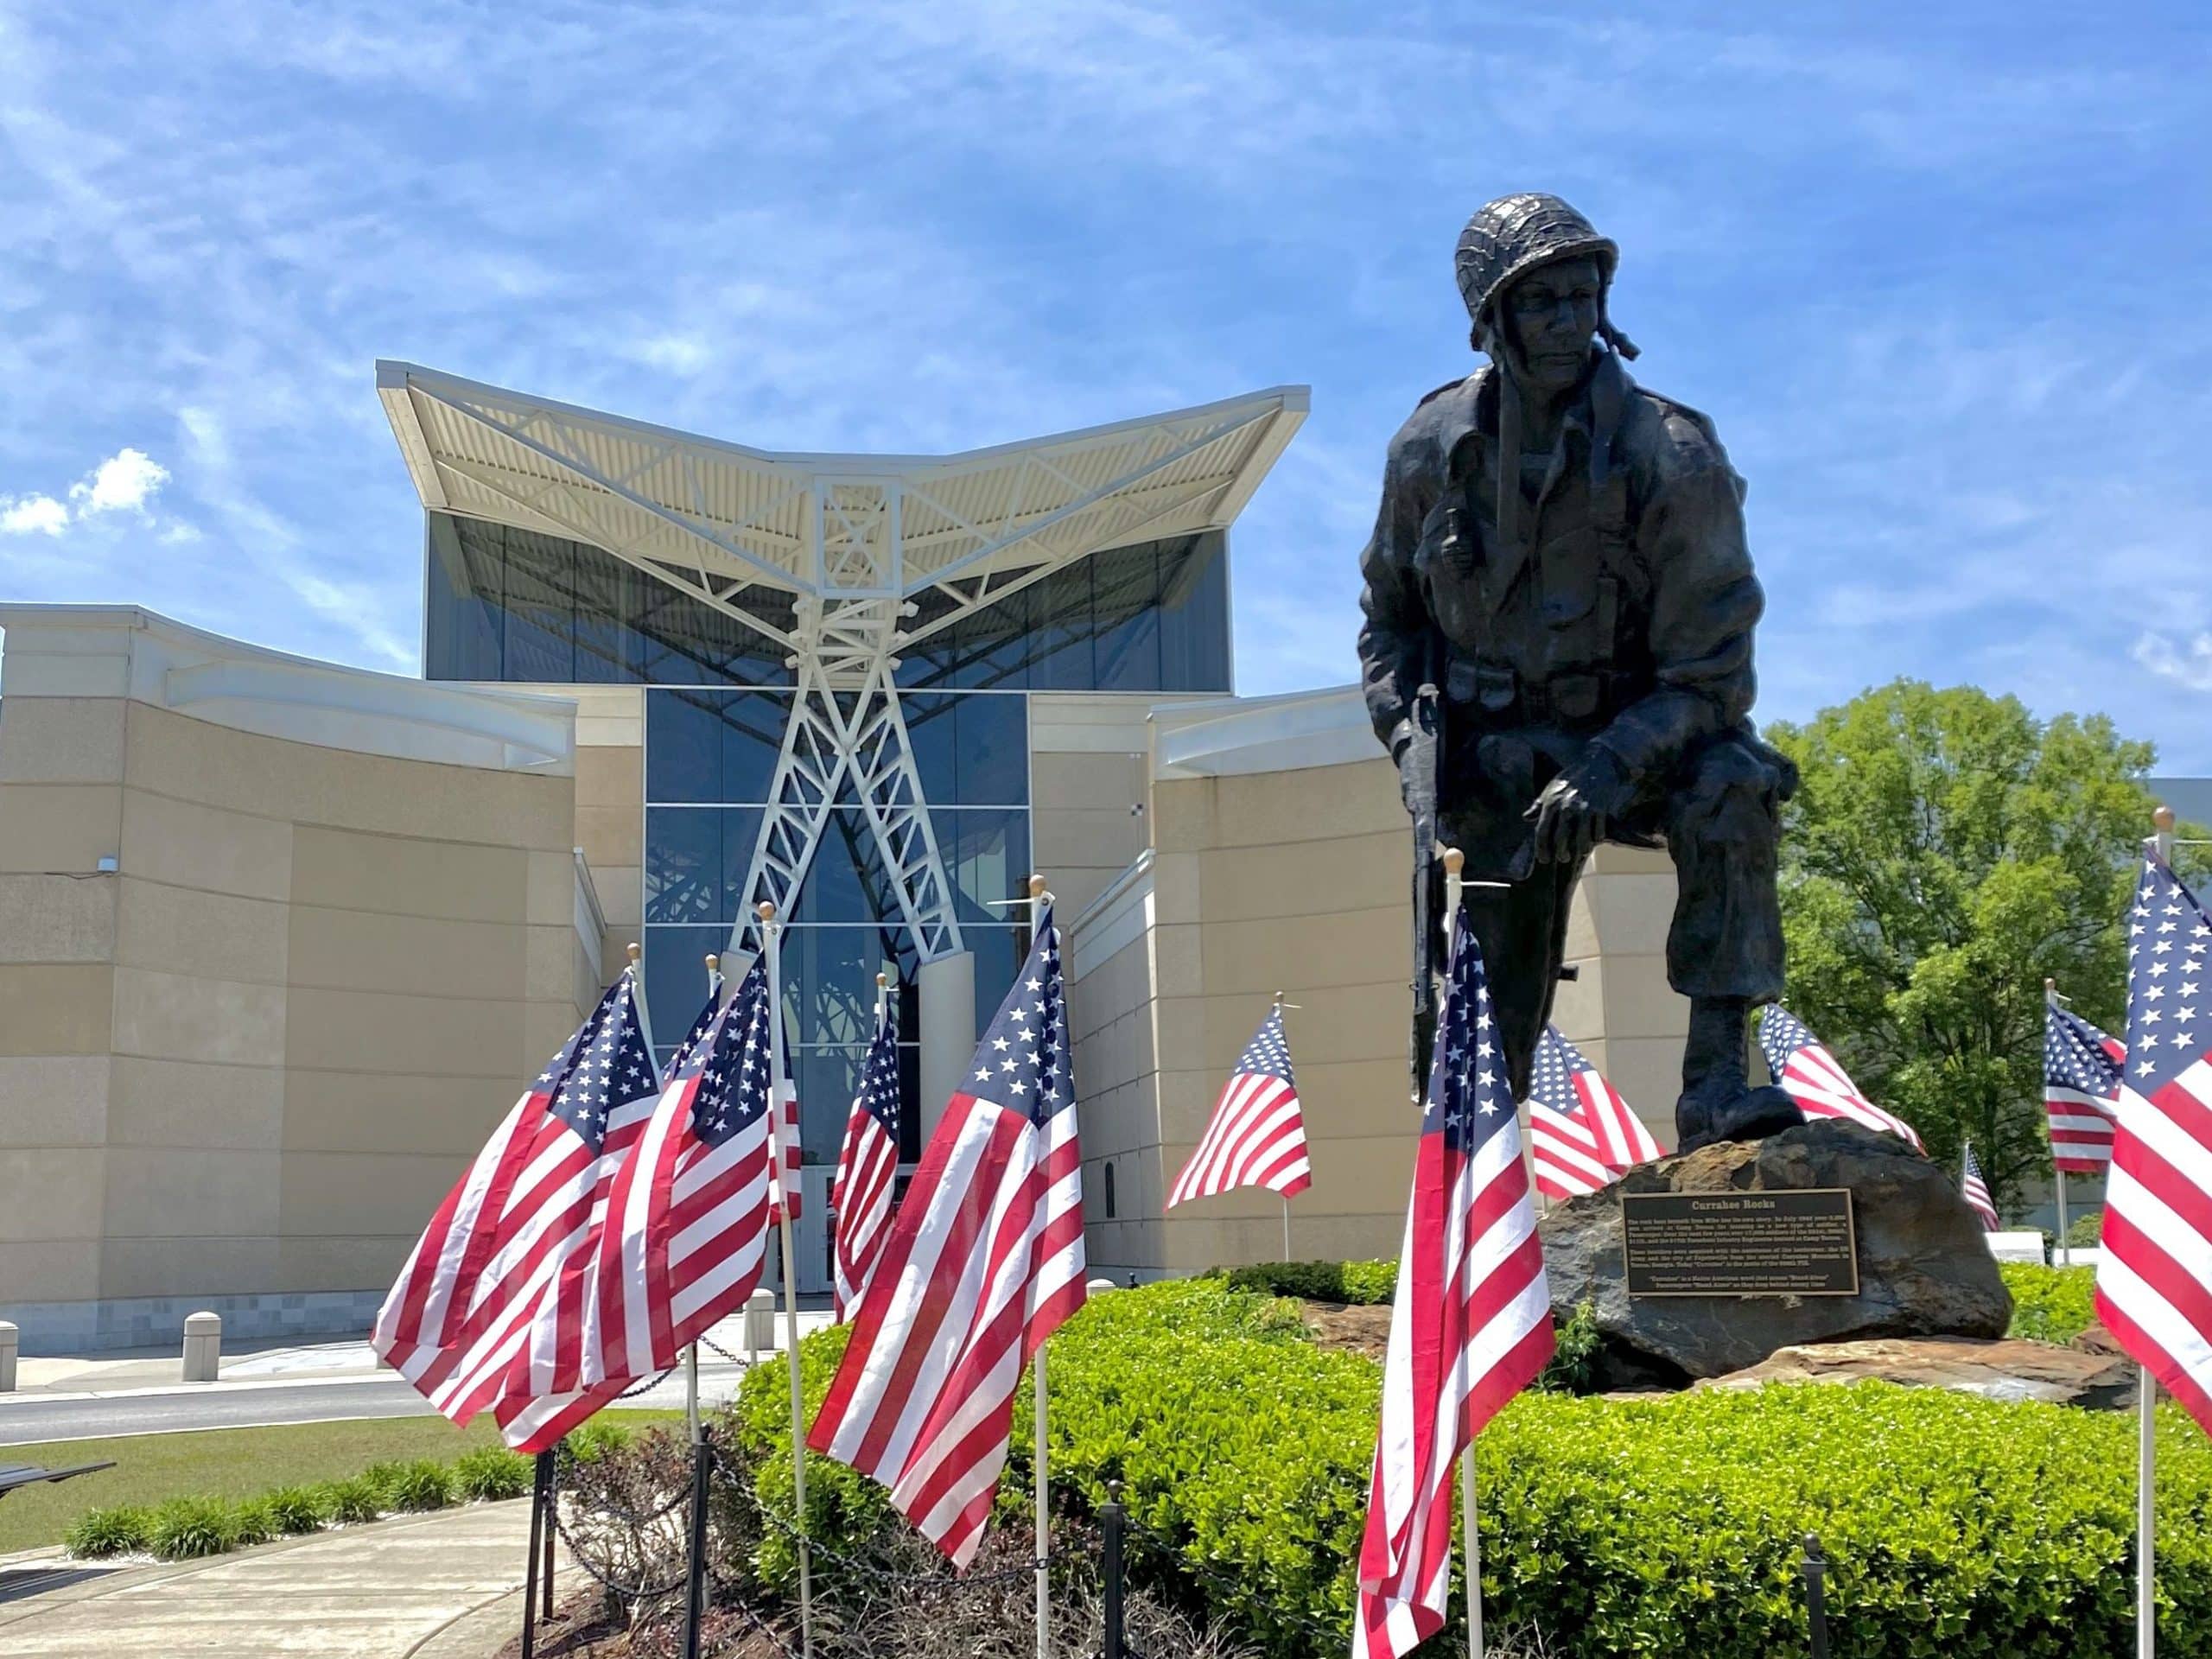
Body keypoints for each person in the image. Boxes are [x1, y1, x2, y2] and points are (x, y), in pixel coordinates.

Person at [1357, 192, 1800, 1151]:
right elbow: (1387, 624)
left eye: (1580, 294)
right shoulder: (1429, 447)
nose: (1566, 319)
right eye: (1539, 301)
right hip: (1496, 754)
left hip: (1642, 740)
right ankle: (1482, 1167)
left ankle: (1716, 1083)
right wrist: (1410, 747)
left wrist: (1608, 764)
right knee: (1482, 1044)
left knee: (1733, 787)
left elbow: (1712, 672)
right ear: (1492, 318)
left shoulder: (1672, 453)